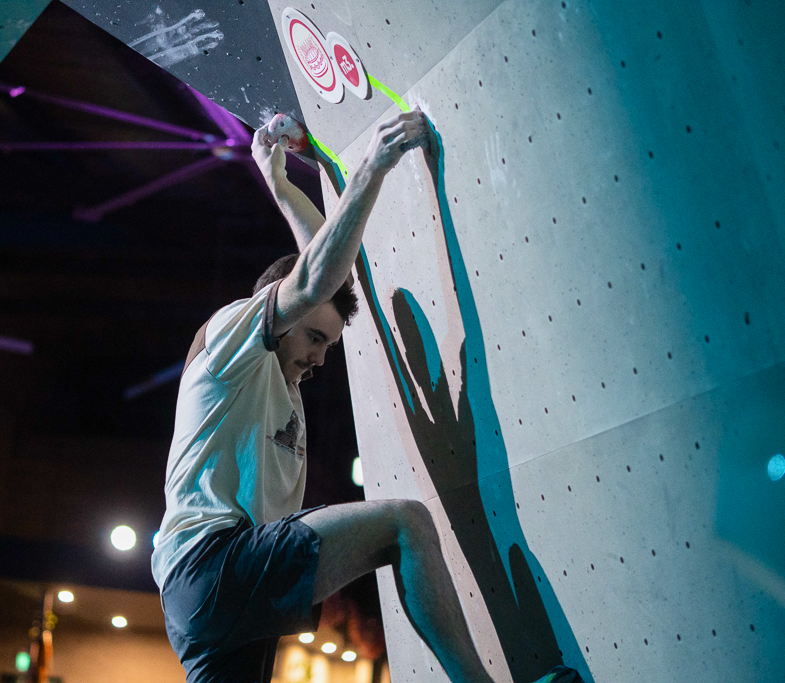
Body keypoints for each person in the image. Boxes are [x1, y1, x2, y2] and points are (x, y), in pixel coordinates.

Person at [151, 109, 579, 683]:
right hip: (211, 565)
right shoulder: (231, 339)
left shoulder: (282, 385)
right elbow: (314, 280)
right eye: (314, 338)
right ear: (279, 314)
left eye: (328, 345)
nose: (320, 358)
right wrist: (370, 168)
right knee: (406, 524)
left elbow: (330, 273)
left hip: (205, 598)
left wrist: (282, 184)